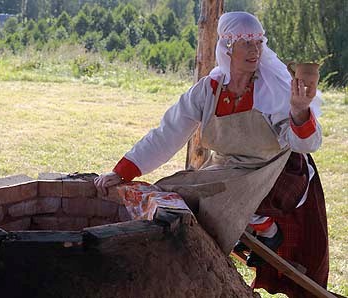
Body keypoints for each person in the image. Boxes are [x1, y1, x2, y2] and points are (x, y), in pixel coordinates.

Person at [94, 11, 328, 298]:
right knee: (170, 191)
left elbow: (304, 144)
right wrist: (122, 172)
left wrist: (299, 110)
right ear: (227, 47)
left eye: (258, 43)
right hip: (227, 169)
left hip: (275, 172)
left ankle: (263, 228)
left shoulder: (273, 89)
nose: (254, 51)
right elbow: (168, 134)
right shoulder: (208, 91)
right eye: (246, 43)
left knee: (218, 201)